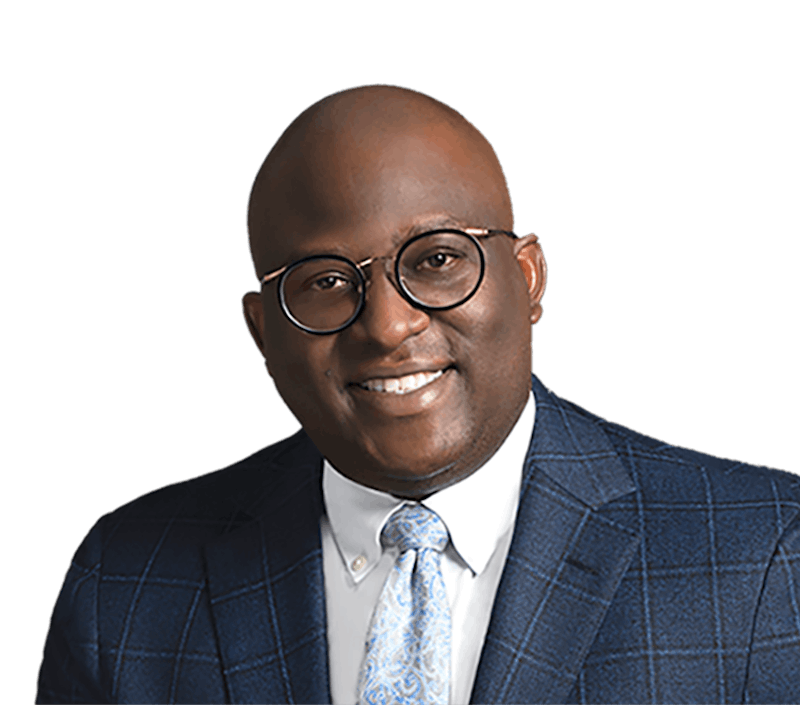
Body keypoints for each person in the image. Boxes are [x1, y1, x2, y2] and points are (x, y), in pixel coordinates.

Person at [37, 85, 799, 705]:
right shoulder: (125, 587)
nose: (388, 325)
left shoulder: (764, 558)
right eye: (326, 281)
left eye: (436, 260)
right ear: (263, 332)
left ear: (528, 278)